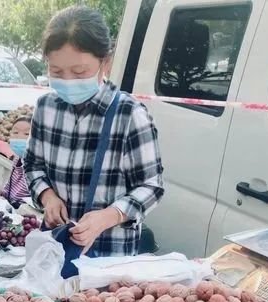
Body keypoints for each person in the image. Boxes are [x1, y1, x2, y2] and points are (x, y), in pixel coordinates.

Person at [26, 6, 164, 257]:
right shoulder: (46, 108)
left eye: (79, 72)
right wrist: (47, 196)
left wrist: (108, 216)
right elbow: (33, 165)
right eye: (56, 72)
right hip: (55, 248)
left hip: (108, 256)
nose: (68, 80)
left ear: (105, 63)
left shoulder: (129, 115)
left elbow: (151, 186)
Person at [3, 116, 32, 208]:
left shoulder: (36, 166)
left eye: (27, 134)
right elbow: (10, 187)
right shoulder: (17, 159)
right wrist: (2, 193)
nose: (19, 137)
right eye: (15, 132)